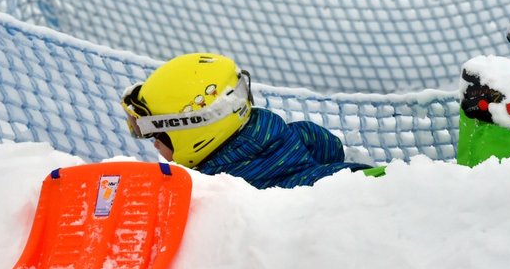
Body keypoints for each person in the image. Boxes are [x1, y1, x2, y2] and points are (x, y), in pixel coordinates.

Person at [120, 52, 384, 189]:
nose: (154, 145)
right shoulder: (292, 138)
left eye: (155, 135)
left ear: (191, 132)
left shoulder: (219, 195)